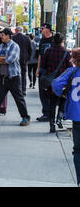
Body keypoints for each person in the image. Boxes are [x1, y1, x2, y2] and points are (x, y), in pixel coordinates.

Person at [0, 28, 31, 127]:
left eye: (3, 34)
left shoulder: (14, 46)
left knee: (19, 98)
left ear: (8, 35)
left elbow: (11, 60)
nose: (1, 36)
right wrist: (3, 59)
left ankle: (25, 117)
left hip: (13, 77)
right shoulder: (1, 46)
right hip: (2, 76)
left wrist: (2, 59)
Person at [52, 48, 80, 186]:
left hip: (77, 116)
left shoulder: (72, 72)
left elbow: (56, 85)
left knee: (78, 150)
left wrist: (63, 93)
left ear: (75, 60)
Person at [41, 32, 72, 133]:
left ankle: (52, 124)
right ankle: (59, 118)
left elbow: (43, 65)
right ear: (62, 41)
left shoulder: (48, 51)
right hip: (62, 82)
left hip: (51, 81)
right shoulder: (66, 53)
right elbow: (70, 68)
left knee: (52, 103)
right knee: (63, 100)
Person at [36, 23, 54, 121]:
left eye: (42, 28)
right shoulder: (42, 40)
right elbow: (40, 55)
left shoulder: (54, 39)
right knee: (42, 92)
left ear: (47, 29)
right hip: (43, 70)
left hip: (52, 71)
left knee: (52, 92)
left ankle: (53, 113)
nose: (41, 30)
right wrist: (38, 69)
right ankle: (46, 113)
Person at [12, 26, 32, 95]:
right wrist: (27, 58)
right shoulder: (27, 38)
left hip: (15, 58)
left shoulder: (13, 38)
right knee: (23, 74)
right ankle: (23, 89)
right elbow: (30, 49)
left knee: (15, 74)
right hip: (24, 59)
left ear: (17, 30)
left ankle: (17, 89)